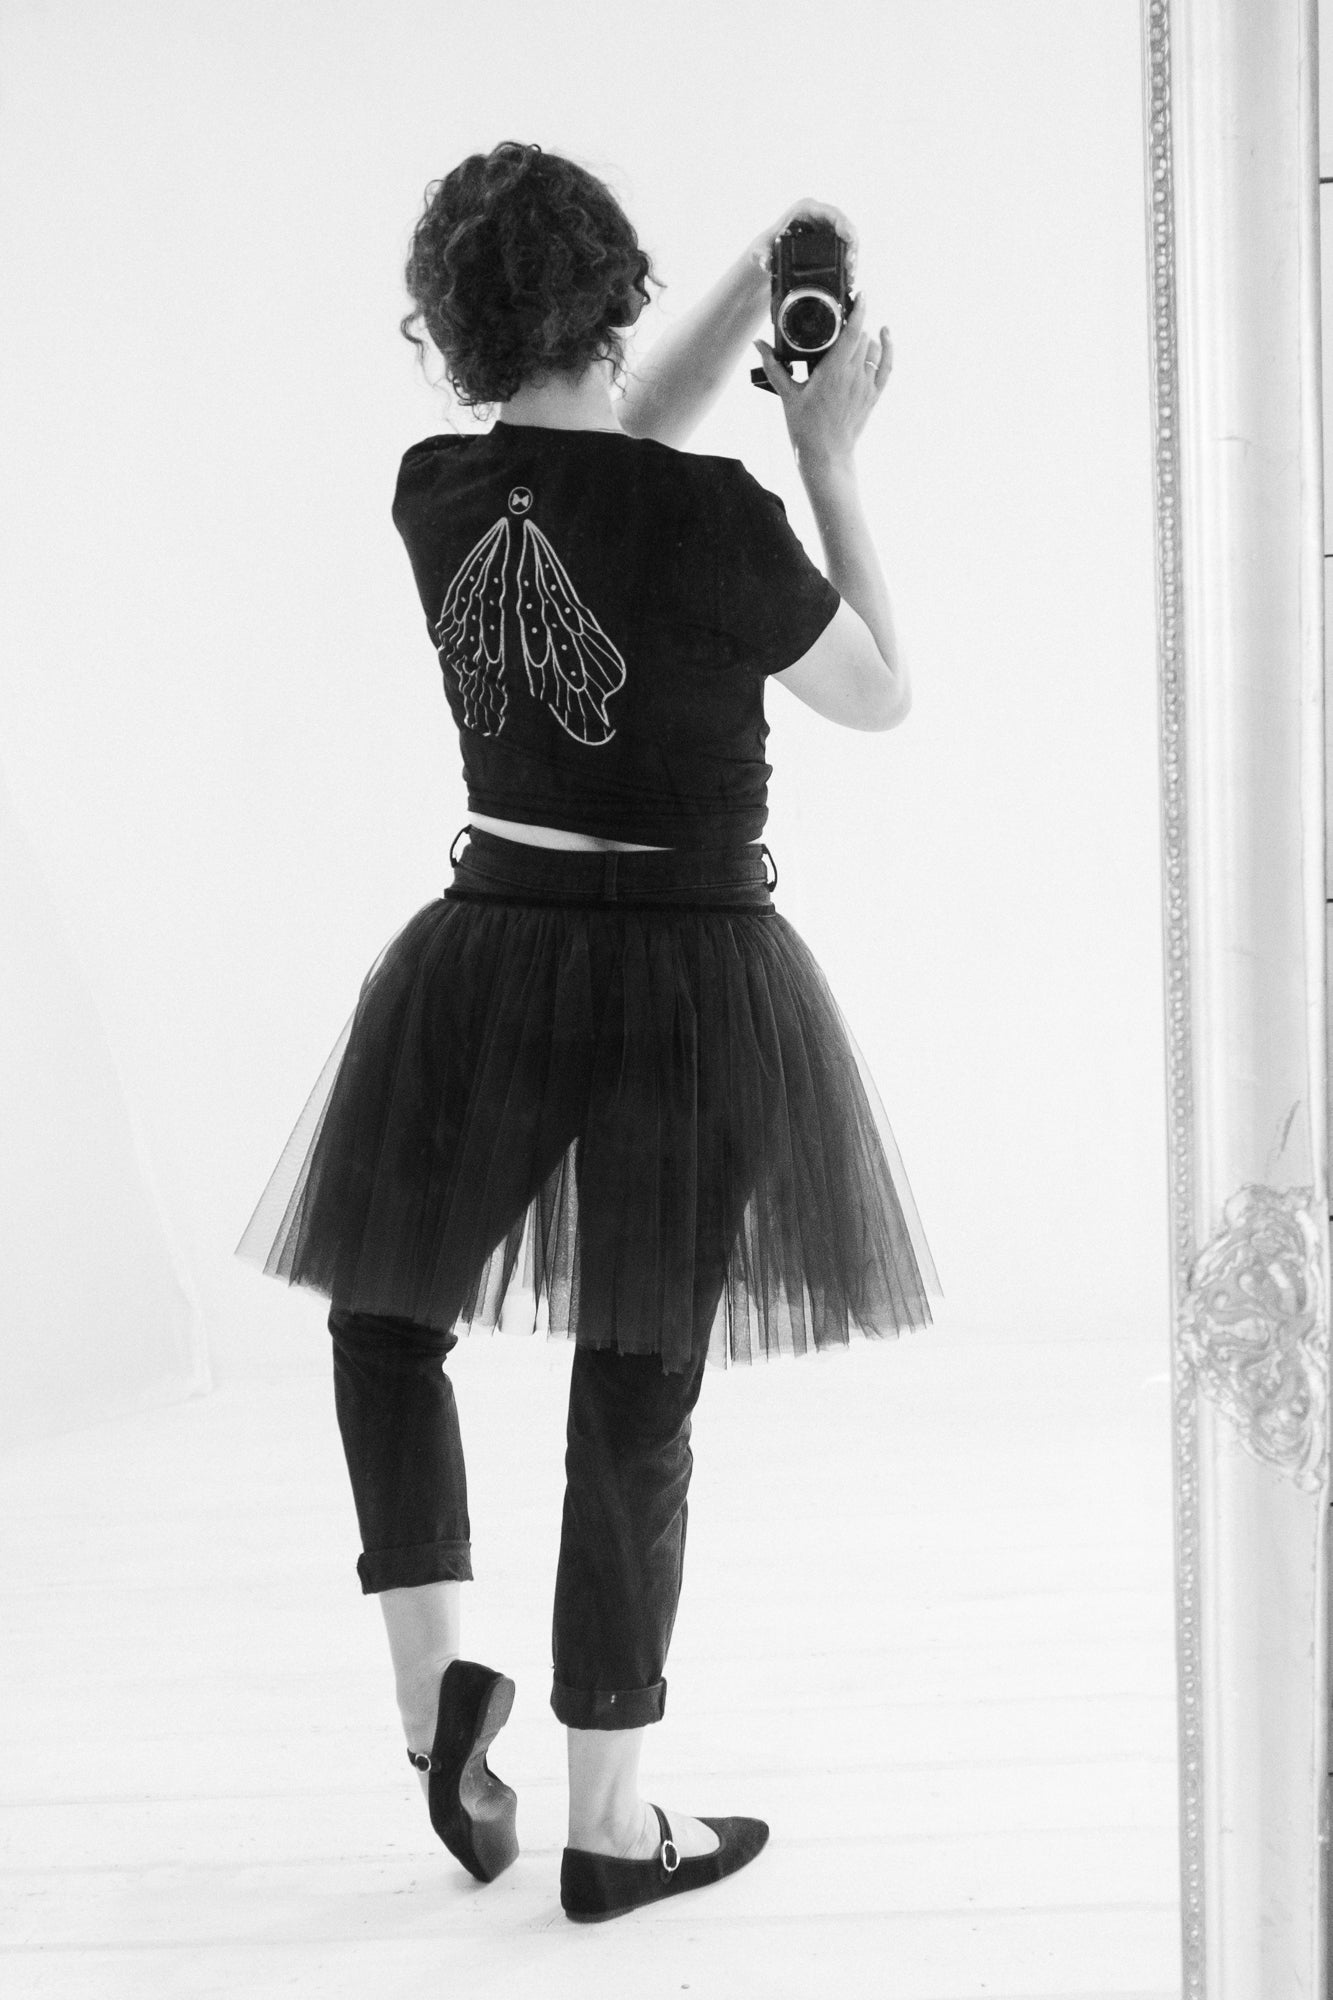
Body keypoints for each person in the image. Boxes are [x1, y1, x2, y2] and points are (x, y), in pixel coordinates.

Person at [235, 139, 942, 1923]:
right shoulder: (711, 519)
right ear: (616, 297)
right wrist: (829, 448)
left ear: (448, 332)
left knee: (386, 1323)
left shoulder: (439, 490)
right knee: (636, 1389)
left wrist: (728, 291)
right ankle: (612, 1825)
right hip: (689, 977)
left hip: (490, 946)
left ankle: (432, 1701)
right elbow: (876, 692)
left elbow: (597, 451)